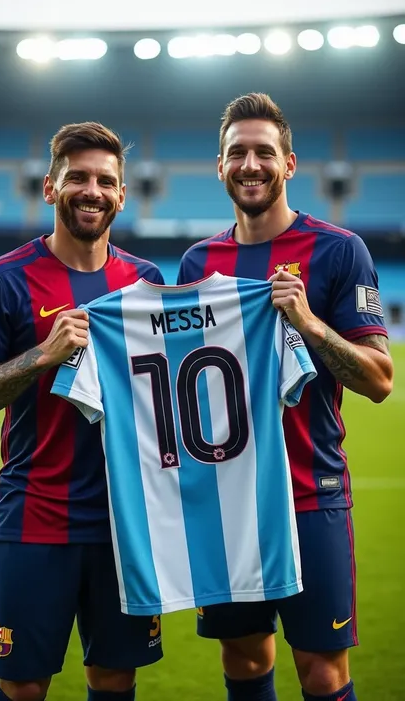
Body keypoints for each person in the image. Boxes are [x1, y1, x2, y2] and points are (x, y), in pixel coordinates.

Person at [177, 93, 393, 701]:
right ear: (220, 167)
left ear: (290, 163)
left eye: (264, 153)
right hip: (227, 502)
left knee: (323, 673)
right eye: (237, 154)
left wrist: (310, 322)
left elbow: (379, 379)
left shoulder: (339, 250)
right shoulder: (198, 261)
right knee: (244, 660)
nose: (251, 165)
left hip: (310, 492)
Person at [0, 122, 164, 701]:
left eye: (105, 181)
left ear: (122, 194)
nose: (92, 190)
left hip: (127, 526)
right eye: (78, 178)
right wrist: (42, 356)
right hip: (36, 516)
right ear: (50, 187)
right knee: (23, 686)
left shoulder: (147, 281)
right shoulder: (0, 279)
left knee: (115, 678)